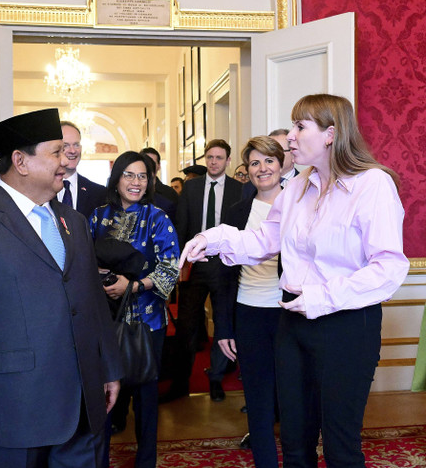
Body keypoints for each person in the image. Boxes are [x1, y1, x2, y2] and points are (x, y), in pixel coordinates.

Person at [180, 94, 409, 468]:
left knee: (340, 445)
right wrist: (212, 238)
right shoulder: (297, 188)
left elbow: (388, 268)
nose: (289, 138)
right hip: (293, 322)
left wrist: (321, 297)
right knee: (294, 441)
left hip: (346, 324)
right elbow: (263, 241)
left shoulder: (373, 185)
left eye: (300, 127)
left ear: (331, 134)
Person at [0, 108, 123, 468]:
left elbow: (90, 300)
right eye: (57, 152)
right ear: (21, 161)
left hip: (82, 405)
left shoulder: (72, 221)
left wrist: (108, 367)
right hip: (12, 411)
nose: (67, 161)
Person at [90, 151, 179, 468]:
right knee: (102, 396)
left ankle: (146, 461)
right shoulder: (97, 216)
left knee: (145, 398)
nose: (136, 182)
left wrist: (133, 285)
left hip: (146, 322)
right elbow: (83, 261)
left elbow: (171, 269)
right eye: (129, 174)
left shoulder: (158, 218)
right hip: (103, 321)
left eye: (143, 176)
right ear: (116, 178)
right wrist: (104, 278)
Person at [216, 136, 285, 468]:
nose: (263, 169)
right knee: (257, 400)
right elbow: (224, 276)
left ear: (282, 164)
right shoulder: (237, 211)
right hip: (249, 313)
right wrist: (224, 327)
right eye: (255, 163)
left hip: (291, 314)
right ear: (247, 170)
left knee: (294, 398)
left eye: (269, 161)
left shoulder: (301, 205)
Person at [165, 139, 243, 403]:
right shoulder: (192, 187)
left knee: (223, 323)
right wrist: (181, 262)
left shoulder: (238, 189)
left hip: (225, 266)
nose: (213, 162)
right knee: (187, 326)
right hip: (195, 266)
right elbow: (182, 225)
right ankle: (180, 382)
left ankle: (216, 379)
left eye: (219, 158)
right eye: (210, 157)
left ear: (228, 161)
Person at [56, 120, 107, 219]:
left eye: (76, 145)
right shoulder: (41, 190)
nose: (73, 151)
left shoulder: (100, 193)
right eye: (65, 145)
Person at [243, 128, 298, 199]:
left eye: (279, 151)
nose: (263, 168)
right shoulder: (246, 189)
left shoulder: (308, 185)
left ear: (293, 154)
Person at [139, 147, 178, 223]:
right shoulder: (131, 195)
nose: (148, 166)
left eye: (152, 162)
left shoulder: (170, 194)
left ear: (159, 165)